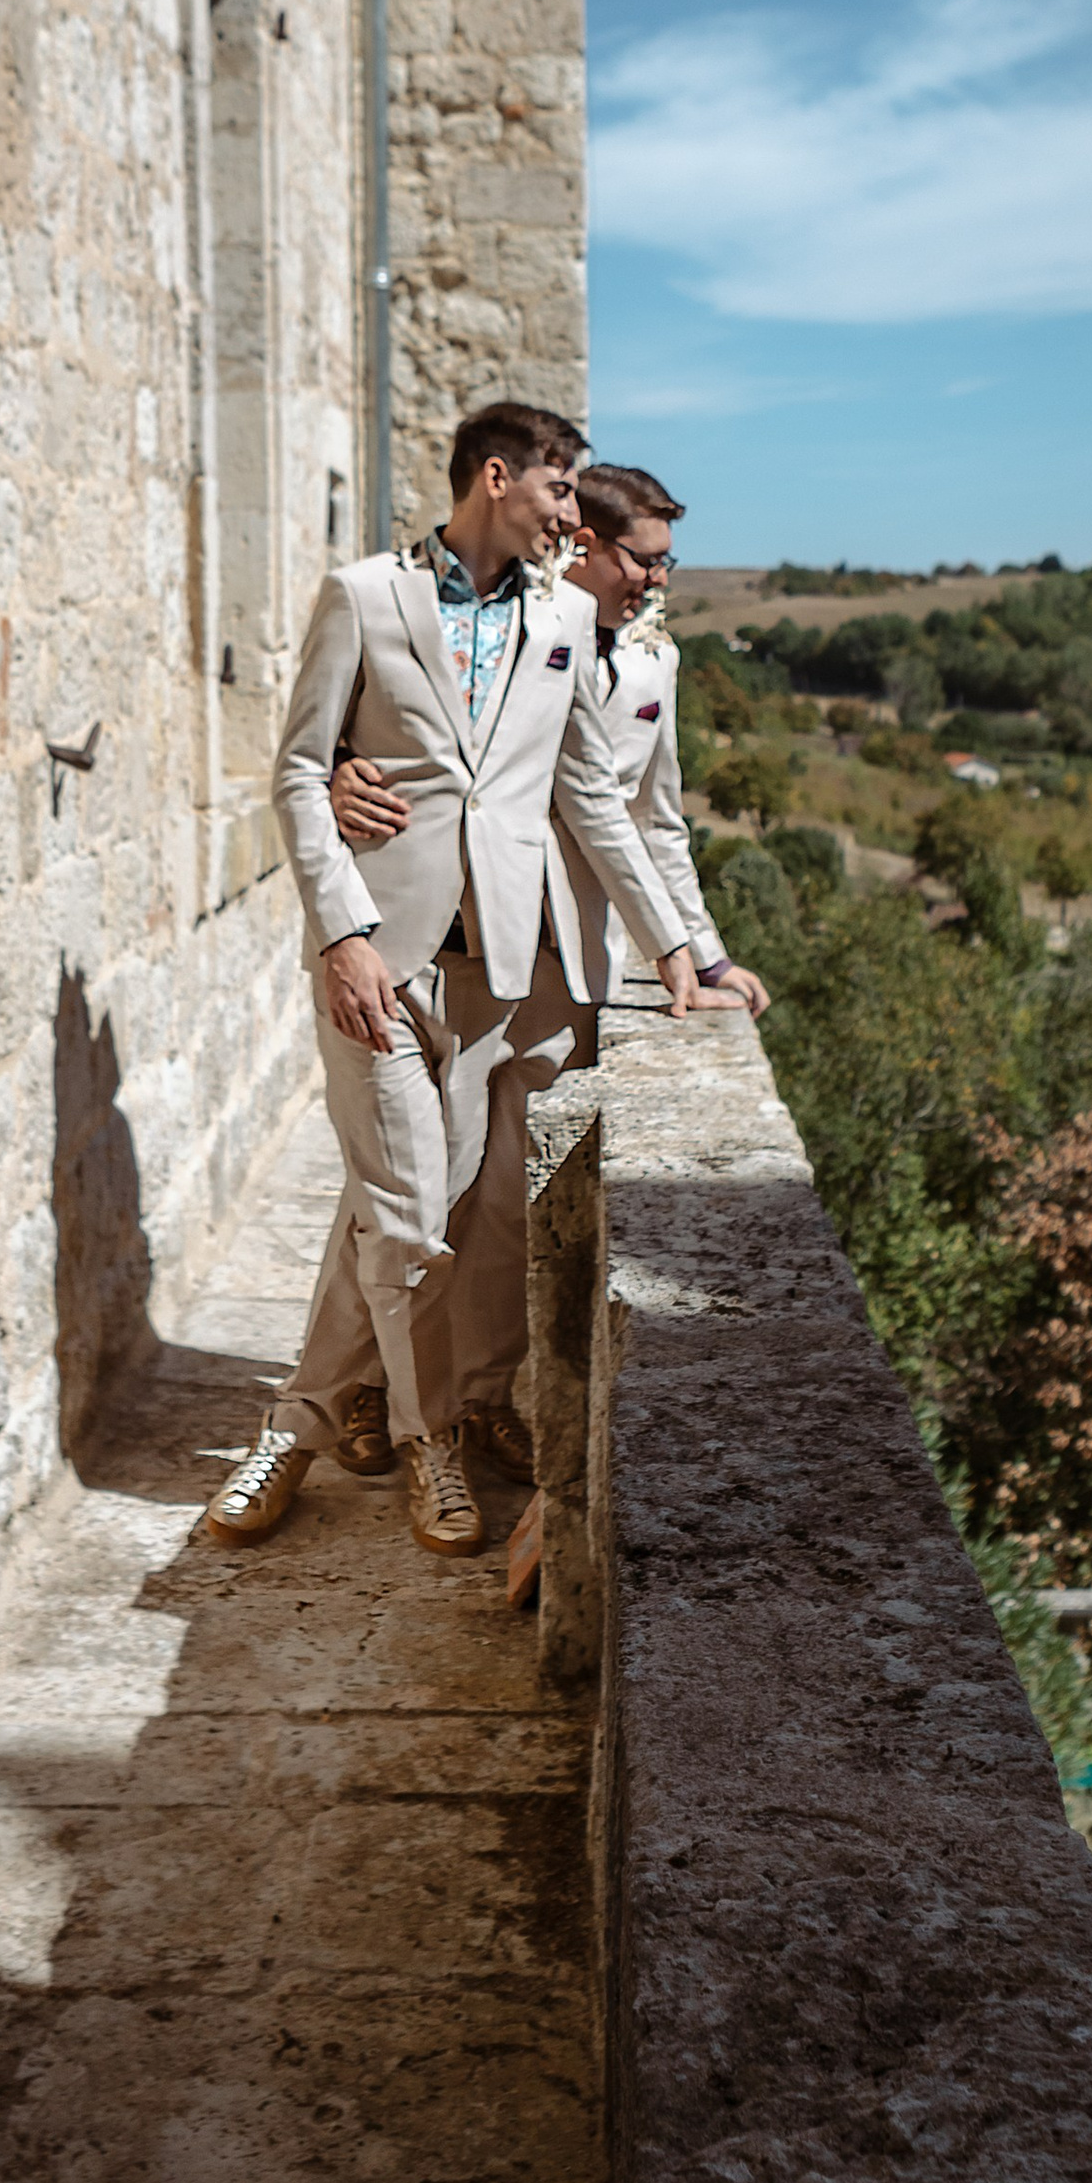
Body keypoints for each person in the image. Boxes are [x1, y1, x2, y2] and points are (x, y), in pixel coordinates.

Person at [203, 400, 699, 1561]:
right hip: (378, 962)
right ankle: (425, 1448)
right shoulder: (366, 595)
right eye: (560, 490)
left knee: (442, 1221)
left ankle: (314, 1419)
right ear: (496, 476)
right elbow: (293, 767)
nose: (571, 515)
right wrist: (339, 931)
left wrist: (677, 947)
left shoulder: (566, 617)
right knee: (409, 1214)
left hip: (504, 974)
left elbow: (591, 796)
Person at [331, 459, 771, 1047]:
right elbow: (417, 734)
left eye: (667, 563)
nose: (660, 580)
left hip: (581, 954)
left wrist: (708, 959)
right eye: (645, 560)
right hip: (454, 938)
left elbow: (656, 823)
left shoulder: (655, 663)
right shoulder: (489, 632)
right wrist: (337, 767)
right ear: (583, 546)